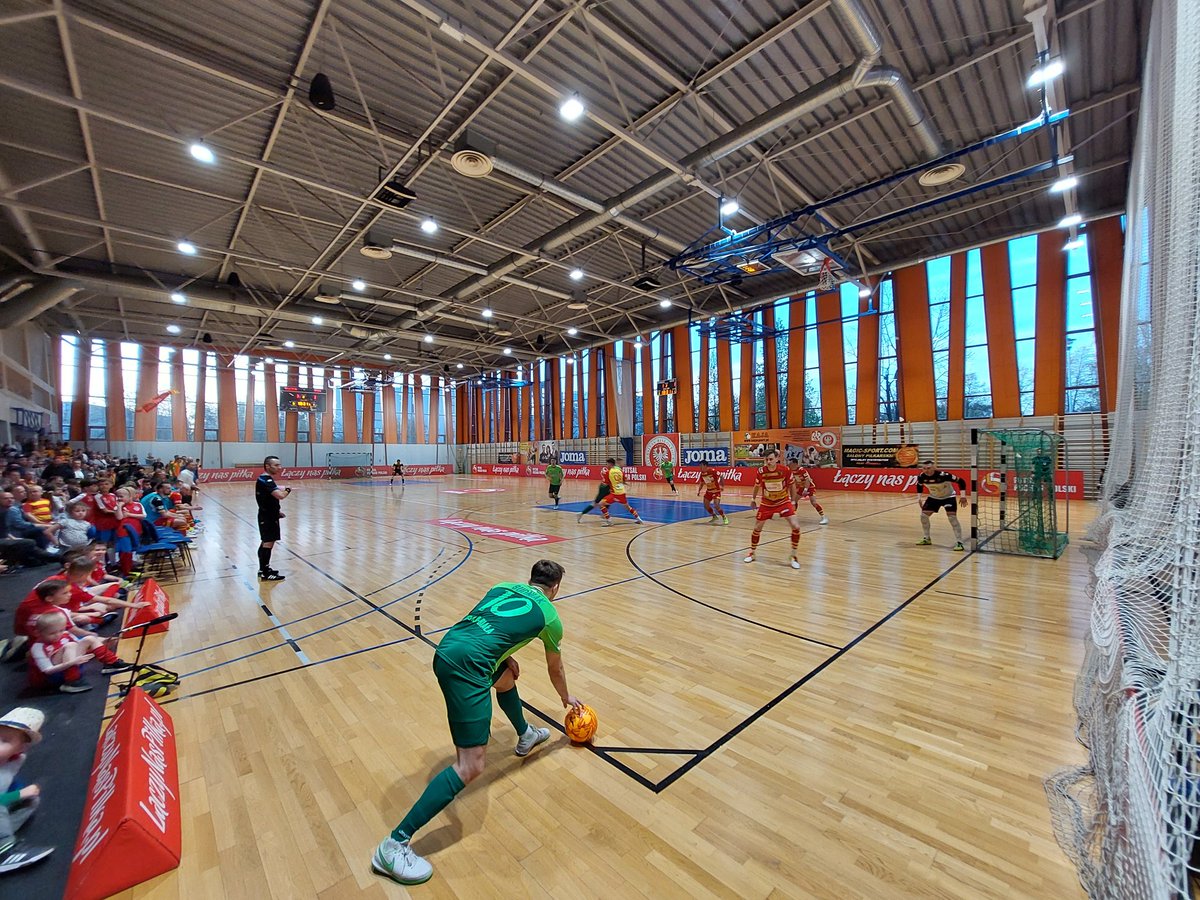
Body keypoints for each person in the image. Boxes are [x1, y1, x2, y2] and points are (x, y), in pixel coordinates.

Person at [372, 560, 583, 886]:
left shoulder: (502, 586)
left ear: (530, 579)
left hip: (450, 647)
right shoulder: (551, 617)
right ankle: (394, 845)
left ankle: (525, 734)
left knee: (507, 679)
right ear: (555, 588)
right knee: (470, 765)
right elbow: (555, 670)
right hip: (468, 667)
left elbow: (486, 623)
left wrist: (504, 654)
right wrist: (567, 698)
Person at [0, 706, 53, 873]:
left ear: (20, 748)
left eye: (5, 741)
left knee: (30, 801)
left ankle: (4, 837)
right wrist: (20, 793)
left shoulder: (11, 763)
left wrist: (21, 794)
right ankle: (4, 851)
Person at [746, 450, 803, 569]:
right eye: (766, 460)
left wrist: (793, 501)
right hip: (766, 503)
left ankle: (793, 556)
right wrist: (753, 499)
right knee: (757, 528)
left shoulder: (785, 470)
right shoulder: (761, 471)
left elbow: (792, 485)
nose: (768, 462)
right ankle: (752, 552)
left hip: (783, 501)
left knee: (796, 526)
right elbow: (757, 485)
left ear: (777, 458)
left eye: (771, 459)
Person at [914, 460, 967, 551]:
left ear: (934, 468)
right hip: (933, 498)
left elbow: (961, 481)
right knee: (923, 516)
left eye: (929, 468)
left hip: (948, 497)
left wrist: (963, 496)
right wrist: (919, 498)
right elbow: (919, 485)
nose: (927, 470)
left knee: (952, 518)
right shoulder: (921, 477)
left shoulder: (944, 475)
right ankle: (927, 538)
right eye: (924, 468)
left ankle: (959, 542)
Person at [256, 456, 291, 581]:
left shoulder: (266, 479)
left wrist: (277, 511)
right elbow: (280, 495)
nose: (279, 468)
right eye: (276, 465)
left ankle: (263, 569)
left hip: (269, 515)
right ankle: (265, 572)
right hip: (267, 517)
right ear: (267, 466)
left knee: (266, 542)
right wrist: (287, 490)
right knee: (268, 543)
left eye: (279, 465)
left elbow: (268, 499)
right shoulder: (266, 480)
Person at [597, 458, 644, 526]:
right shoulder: (619, 471)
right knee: (628, 507)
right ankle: (639, 519)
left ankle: (609, 521)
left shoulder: (608, 472)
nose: (606, 465)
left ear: (610, 464)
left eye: (607, 464)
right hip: (622, 492)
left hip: (615, 494)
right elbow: (624, 480)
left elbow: (605, 483)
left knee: (601, 504)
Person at [789, 460, 829, 525]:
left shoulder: (802, 470)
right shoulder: (791, 471)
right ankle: (793, 516)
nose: (789, 464)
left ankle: (824, 517)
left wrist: (805, 489)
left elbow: (807, 480)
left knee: (813, 502)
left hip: (809, 487)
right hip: (801, 487)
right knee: (794, 501)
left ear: (795, 464)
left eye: (790, 463)